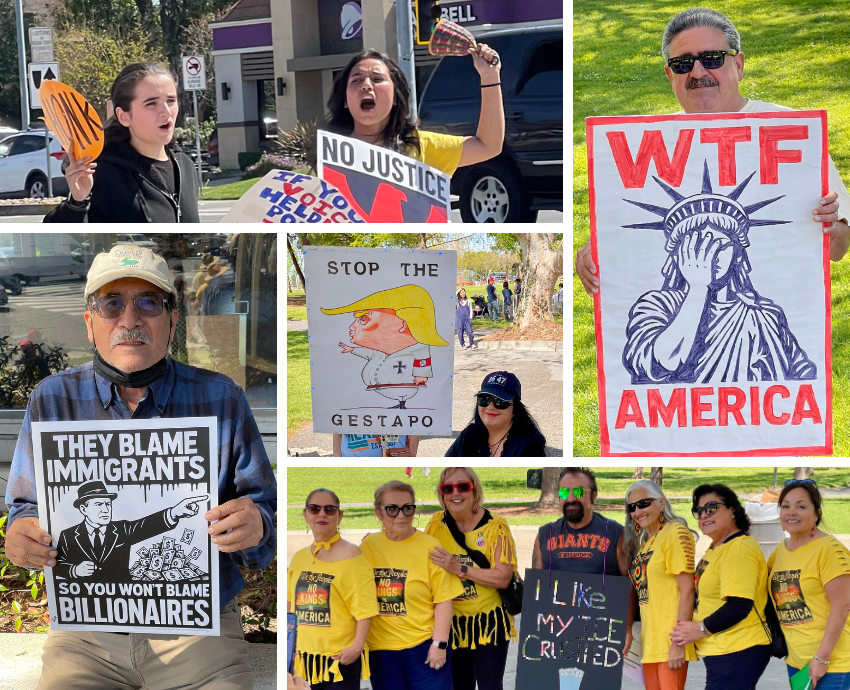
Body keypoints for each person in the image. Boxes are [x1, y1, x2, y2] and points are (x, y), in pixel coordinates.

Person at [4, 245, 276, 690]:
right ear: (90, 324)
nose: (129, 319)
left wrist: (256, 526)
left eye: (147, 302)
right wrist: (22, 540)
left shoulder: (221, 397)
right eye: (112, 304)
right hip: (86, 639)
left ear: (172, 320)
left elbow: (261, 511)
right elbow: (25, 511)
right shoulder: (52, 400)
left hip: (197, 631)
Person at [576, 8, 850, 296]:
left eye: (712, 59)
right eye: (682, 64)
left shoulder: (791, 131)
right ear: (670, 75)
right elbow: (626, 235)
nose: (697, 72)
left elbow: (839, 248)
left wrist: (830, 228)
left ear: (739, 65)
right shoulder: (643, 145)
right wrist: (594, 250)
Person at [44, 63, 200, 223]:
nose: (166, 111)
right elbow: (57, 241)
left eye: (171, 100)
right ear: (124, 116)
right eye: (151, 103)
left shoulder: (185, 166)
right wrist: (77, 203)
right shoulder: (99, 171)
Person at [324, 48, 504, 176]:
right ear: (345, 100)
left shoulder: (421, 145)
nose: (366, 86)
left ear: (395, 97)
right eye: (356, 80)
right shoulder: (324, 153)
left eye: (377, 79)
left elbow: (488, 147)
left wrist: (490, 77)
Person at [360, 480, 464, 690]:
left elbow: (444, 600)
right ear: (378, 513)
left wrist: (439, 644)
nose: (401, 516)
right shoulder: (368, 547)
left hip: (424, 647)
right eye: (392, 509)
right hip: (382, 651)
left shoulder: (430, 547)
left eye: (407, 508)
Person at [424, 468, 519, 690]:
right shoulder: (436, 526)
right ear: (442, 495)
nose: (455, 493)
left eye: (463, 486)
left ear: (474, 490)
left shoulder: (495, 527)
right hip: (452, 625)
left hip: (488, 623)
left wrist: (460, 568)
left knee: (490, 686)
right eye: (448, 488)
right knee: (459, 686)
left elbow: (503, 578)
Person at [670, 484, 770, 690]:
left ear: (732, 509)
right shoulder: (718, 547)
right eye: (698, 511)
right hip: (722, 649)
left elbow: (739, 606)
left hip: (738, 649)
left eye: (712, 508)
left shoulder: (738, 549)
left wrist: (699, 629)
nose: (703, 515)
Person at [532, 468, 634, 654]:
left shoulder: (614, 533)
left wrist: (626, 628)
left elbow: (629, 584)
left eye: (579, 492)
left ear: (594, 495)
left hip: (599, 637)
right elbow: (537, 588)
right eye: (564, 492)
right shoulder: (545, 534)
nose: (570, 499)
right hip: (556, 635)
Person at [287, 489, 378, 689]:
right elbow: (290, 604)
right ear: (305, 515)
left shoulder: (352, 556)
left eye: (329, 509)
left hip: (339, 660)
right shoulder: (299, 558)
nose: (321, 514)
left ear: (340, 516)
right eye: (314, 508)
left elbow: (365, 608)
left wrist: (356, 647)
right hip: (303, 659)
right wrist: (288, 647)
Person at [768, 479, 850, 690]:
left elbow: (842, 606)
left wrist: (821, 659)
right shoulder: (781, 549)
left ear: (817, 514)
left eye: (801, 506)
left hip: (833, 663)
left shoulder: (829, 550)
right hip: (797, 662)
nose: (791, 512)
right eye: (785, 506)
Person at [321, 286, 449, 410]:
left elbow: (423, 359)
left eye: (364, 319)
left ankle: (402, 403)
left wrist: (422, 375)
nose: (351, 327)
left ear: (403, 323)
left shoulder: (416, 349)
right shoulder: (382, 351)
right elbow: (369, 353)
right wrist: (353, 349)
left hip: (403, 388)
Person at [54, 480, 207, 582]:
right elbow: (55, 567)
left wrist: (175, 512)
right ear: (83, 508)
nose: (106, 509)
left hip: (126, 604)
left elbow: (146, 525)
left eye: (108, 504)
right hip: (86, 608)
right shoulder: (67, 535)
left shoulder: (122, 529)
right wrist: (74, 570)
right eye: (99, 504)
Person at [624, 479, 697, 690]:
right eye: (632, 507)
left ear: (662, 502)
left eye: (644, 503)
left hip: (670, 641)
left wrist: (677, 644)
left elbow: (688, 591)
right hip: (650, 643)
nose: (638, 511)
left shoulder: (675, 533)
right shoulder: (646, 542)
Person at [445, 371, 546, 457]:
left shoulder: (529, 444)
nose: (490, 406)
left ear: (515, 409)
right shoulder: (468, 436)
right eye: (484, 399)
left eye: (499, 401)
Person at [333, 433, 420, 457]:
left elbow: (414, 416)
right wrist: (338, 458)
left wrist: (412, 452)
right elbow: (337, 426)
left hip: (395, 459)